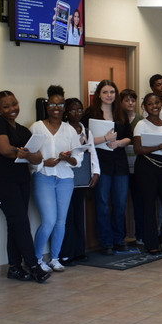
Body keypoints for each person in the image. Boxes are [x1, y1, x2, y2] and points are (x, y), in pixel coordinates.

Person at [0, 90, 48, 283]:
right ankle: (33, 265)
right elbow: (5, 149)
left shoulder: (23, 130)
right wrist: (24, 153)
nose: (12, 109)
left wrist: (26, 154)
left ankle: (14, 267)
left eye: (14, 104)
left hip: (22, 180)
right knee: (21, 222)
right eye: (6, 106)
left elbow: (38, 156)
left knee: (15, 223)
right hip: (3, 182)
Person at [30, 85, 81, 272]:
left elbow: (78, 160)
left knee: (61, 221)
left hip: (65, 178)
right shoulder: (37, 127)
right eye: (52, 104)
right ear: (47, 105)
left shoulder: (69, 130)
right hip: (44, 177)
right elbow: (29, 155)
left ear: (64, 108)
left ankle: (54, 258)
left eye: (60, 104)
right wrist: (44, 162)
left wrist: (68, 158)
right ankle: (36, 259)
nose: (56, 108)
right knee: (49, 221)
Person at [85, 79, 133, 255]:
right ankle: (105, 242)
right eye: (105, 92)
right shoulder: (90, 113)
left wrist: (119, 143)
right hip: (100, 163)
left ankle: (118, 239)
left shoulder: (120, 112)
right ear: (99, 94)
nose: (109, 95)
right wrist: (105, 139)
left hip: (119, 163)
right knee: (103, 204)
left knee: (120, 203)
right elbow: (84, 140)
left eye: (112, 92)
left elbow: (129, 137)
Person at [133, 92, 162, 254]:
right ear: (144, 107)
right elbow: (138, 149)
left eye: (157, 103)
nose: (154, 106)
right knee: (149, 206)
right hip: (146, 166)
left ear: (161, 104)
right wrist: (159, 147)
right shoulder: (141, 125)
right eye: (150, 104)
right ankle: (151, 243)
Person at [60, 97, 99, 265]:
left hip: (82, 177)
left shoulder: (86, 131)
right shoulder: (63, 130)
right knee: (66, 216)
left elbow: (92, 152)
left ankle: (79, 250)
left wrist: (96, 172)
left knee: (79, 215)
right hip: (66, 175)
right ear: (66, 113)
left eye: (79, 109)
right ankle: (66, 253)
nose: (76, 113)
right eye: (72, 110)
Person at [119, 88, 146, 247]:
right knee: (120, 202)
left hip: (138, 167)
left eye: (133, 100)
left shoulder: (141, 120)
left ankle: (141, 234)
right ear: (121, 102)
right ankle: (120, 236)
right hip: (121, 166)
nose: (130, 103)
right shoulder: (117, 120)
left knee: (139, 202)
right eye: (127, 100)